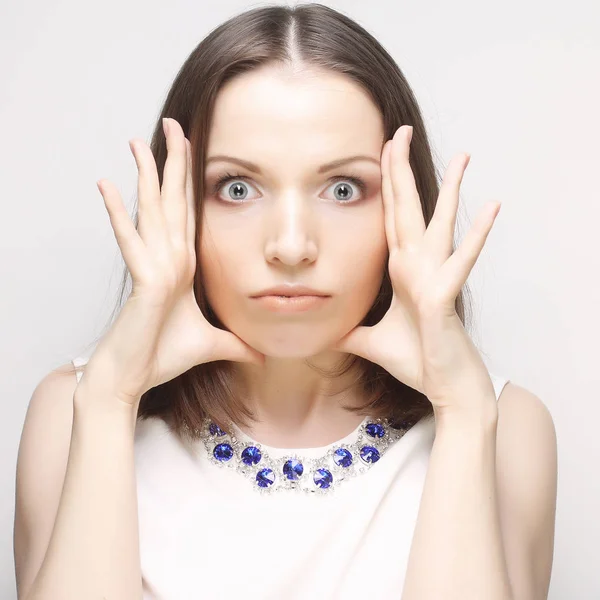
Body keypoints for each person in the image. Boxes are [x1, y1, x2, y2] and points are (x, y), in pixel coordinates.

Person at [14, 4, 557, 600]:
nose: (292, 246)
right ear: (179, 205)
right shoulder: (74, 410)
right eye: (238, 188)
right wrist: (110, 397)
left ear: (406, 206)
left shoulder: (504, 427)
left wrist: (463, 411)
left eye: (343, 189)